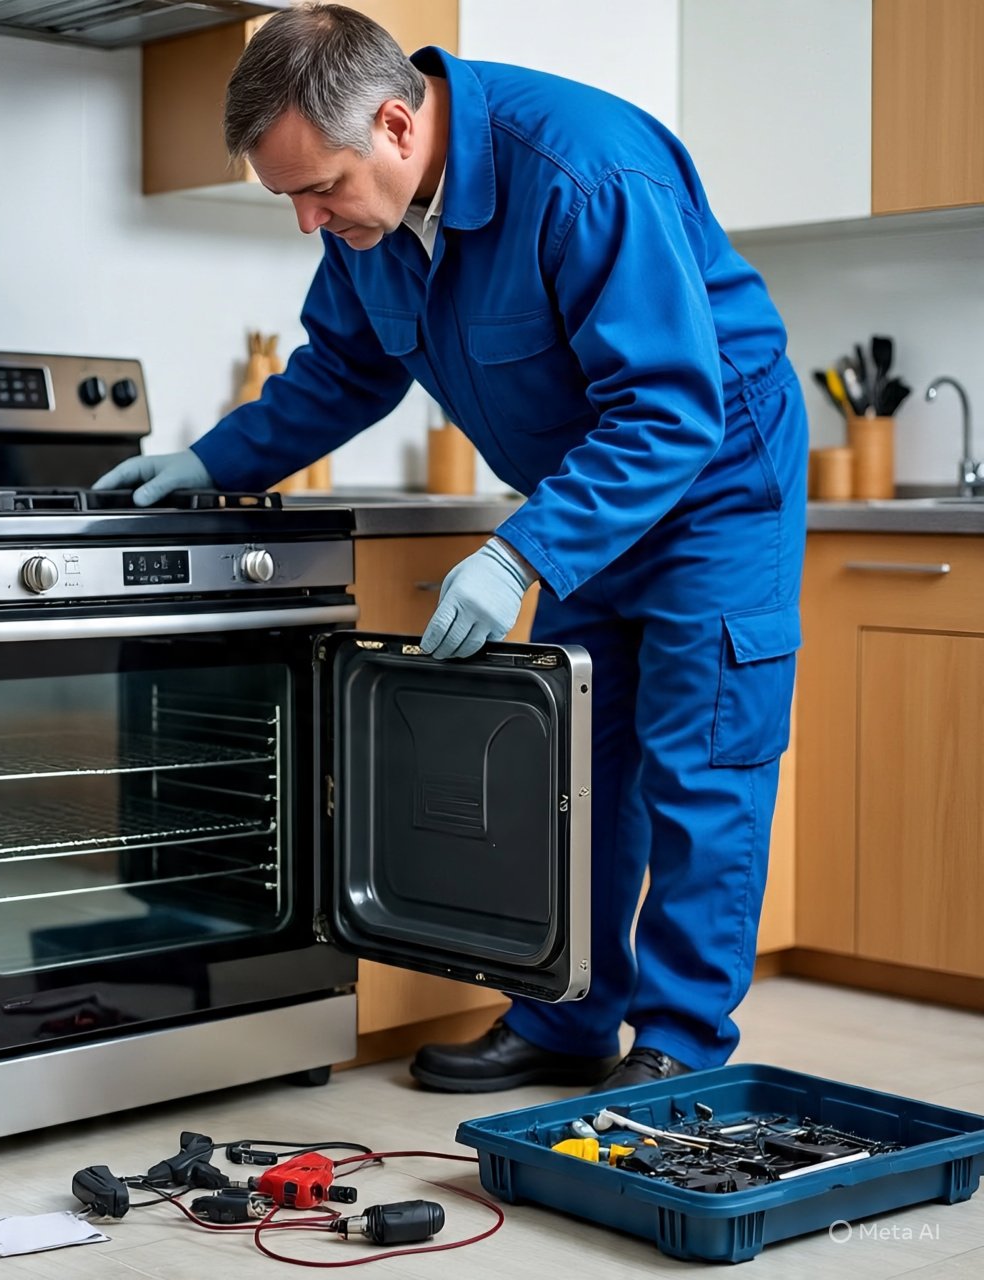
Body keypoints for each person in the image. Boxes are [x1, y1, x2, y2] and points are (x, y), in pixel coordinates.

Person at [96, 4, 807, 1093]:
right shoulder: (368, 224)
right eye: (287, 196)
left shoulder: (582, 172)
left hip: (711, 480)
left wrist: (519, 554)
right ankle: (564, 1020)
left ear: (392, 125)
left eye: (317, 187)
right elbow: (343, 369)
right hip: (585, 488)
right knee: (576, 770)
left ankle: (675, 1050)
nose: (307, 220)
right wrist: (213, 461)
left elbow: (669, 408)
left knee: (698, 767)